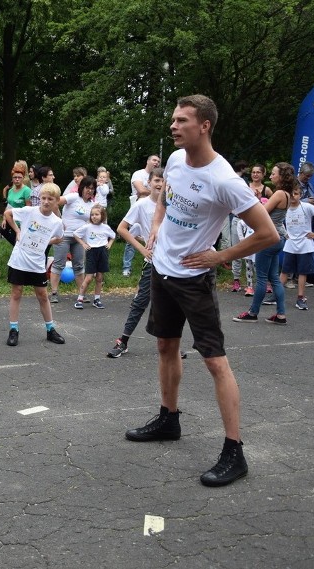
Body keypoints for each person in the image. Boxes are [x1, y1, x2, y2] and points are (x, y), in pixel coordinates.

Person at [124, 95, 278, 487]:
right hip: (162, 270)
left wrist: (220, 256)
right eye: (173, 119)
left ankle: (234, 452)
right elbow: (163, 199)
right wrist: (157, 224)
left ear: (204, 125)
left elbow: (267, 233)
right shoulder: (175, 161)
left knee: (214, 360)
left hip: (194, 280)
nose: (173, 126)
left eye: (181, 121)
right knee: (165, 345)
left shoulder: (225, 180)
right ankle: (168, 419)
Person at [107, 168, 164, 358]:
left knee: (168, 303)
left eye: (163, 180)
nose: (159, 183)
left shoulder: (172, 205)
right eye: (156, 179)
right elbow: (122, 229)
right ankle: (122, 341)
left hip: (172, 262)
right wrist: (142, 249)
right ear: (149, 183)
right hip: (153, 261)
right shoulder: (142, 205)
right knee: (141, 301)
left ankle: (169, 344)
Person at [233, 163, 297, 325]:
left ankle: (253, 313)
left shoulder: (279, 194)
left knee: (261, 278)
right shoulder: (288, 195)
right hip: (277, 239)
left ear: (282, 176)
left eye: (274, 173)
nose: (270, 176)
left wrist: (253, 201)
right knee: (274, 278)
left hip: (268, 238)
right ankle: (280, 314)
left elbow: (262, 212)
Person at [2, 183, 66, 347]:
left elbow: (60, 238)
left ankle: (50, 329)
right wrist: (17, 231)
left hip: (37, 262)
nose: (45, 202)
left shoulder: (56, 222)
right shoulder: (29, 211)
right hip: (20, 259)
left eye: (50, 199)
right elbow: (8, 213)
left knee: (43, 296)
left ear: (56, 201)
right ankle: (13, 329)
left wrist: (47, 241)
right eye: (43, 198)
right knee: (17, 293)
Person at [49, 176, 98, 303]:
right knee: (59, 263)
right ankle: (54, 292)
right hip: (64, 236)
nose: (90, 191)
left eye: (92, 189)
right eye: (88, 188)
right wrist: (58, 219)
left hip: (79, 238)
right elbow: (55, 202)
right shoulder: (73, 197)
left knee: (79, 265)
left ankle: (82, 294)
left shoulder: (93, 205)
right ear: (82, 187)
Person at [281, 183, 314, 311]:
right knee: (285, 271)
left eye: (296, 194)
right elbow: (277, 221)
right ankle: (277, 295)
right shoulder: (284, 208)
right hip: (290, 244)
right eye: (291, 194)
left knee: (302, 272)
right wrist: (285, 234)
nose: (293, 196)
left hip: (305, 245)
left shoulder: (307, 207)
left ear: (300, 195)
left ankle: (300, 297)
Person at [72, 204, 115, 309]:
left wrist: (109, 244)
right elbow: (76, 234)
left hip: (102, 252)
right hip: (92, 252)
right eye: (92, 215)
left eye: (97, 214)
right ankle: (80, 299)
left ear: (102, 215)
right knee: (89, 277)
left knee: (99, 277)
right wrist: (83, 244)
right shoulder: (87, 227)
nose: (94, 216)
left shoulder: (105, 227)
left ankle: (97, 299)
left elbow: (113, 236)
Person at [124, 155, 160, 276]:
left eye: (158, 161)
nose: (156, 162)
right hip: (139, 210)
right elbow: (141, 190)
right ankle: (126, 267)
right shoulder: (138, 174)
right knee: (132, 237)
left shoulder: (168, 203)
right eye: (154, 160)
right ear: (148, 161)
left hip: (165, 258)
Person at [0, 162, 31, 246]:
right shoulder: (10, 191)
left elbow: (29, 209)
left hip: (20, 221)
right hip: (10, 218)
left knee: (17, 240)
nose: (17, 179)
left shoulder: (26, 190)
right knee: (2, 230)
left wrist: (23, 223)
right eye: (15, 177)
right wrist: (4, 219)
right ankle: (18, 247)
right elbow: (8, 206)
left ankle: (19, 249)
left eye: (19, 177)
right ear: (12, 179)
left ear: (23, 178)